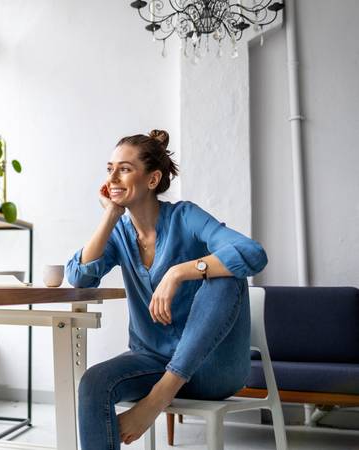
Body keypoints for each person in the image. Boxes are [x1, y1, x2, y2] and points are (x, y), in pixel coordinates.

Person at [66, 130, 267, 449]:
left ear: (152, 179)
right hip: (150, 361)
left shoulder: (185, 217)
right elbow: (79, 277)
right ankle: (160, 390)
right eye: (109, 169)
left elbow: (253, 254)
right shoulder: (119, 232)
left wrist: (179, 272)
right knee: (94, 383)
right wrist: (110, 214)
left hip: (211, 369)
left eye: (125, 168)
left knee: (227, 275)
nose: (113, 177)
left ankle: (158, 399)